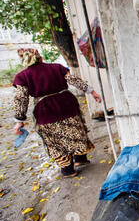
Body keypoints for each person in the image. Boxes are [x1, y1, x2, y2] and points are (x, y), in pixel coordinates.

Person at [12, 49, 102, 178]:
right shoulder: (56, 67)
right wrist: (92, 92)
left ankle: (68, 169)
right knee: (75, 132)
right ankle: (80, 158)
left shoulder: (22, 76)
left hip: (45, 111)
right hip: (67, 104)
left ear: (23, 60)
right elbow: (74, 80)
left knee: (55, 140)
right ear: (40, 57)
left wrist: (19, 120)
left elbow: (21, 98)